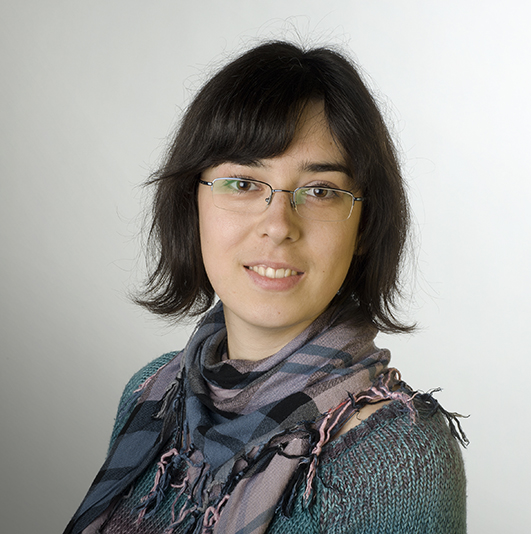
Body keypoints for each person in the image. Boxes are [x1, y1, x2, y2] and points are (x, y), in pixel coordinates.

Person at [64, 41, 467, 534]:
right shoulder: (150, 395)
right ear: (192, 206)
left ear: (364, 226)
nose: (278, 225)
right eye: (243, 183)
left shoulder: (394, 457)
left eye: (320, 191)